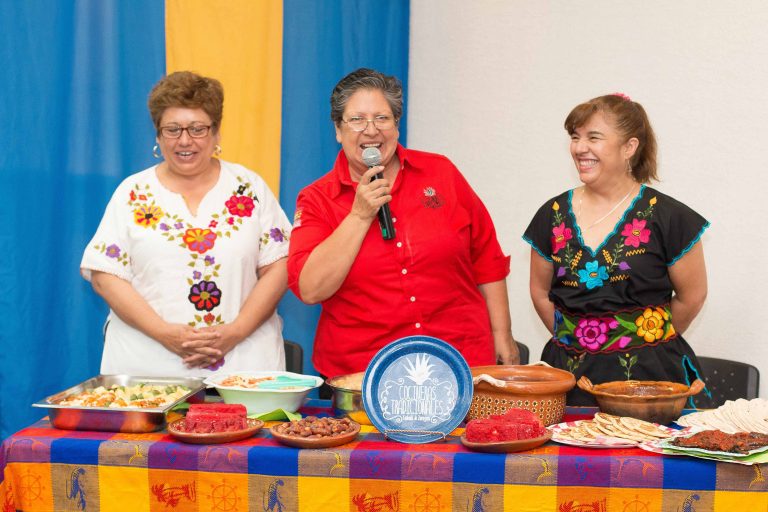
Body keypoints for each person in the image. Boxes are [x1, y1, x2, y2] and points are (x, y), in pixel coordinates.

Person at [287, 68, 518, 385]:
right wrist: (359, 215)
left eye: (382, 118)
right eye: (357, 120)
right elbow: (310, 289)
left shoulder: (441, 173)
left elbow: (486, 257)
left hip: (460, 362)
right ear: (338, 130)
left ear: (397, 126)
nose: (371, 131)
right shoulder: (317, 199)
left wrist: (502, 335)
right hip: (364, 375)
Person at [81, 71, 292, 377]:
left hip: (243, 368)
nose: (184, 140)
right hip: (147, 372)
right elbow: (105, 275)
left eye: (197, 129)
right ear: (157, 134)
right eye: (172, 129)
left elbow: (280, 264)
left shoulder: (249, 188)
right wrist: (165, 333)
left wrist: (235, 331)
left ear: (216, 132)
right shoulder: (132, 193)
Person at [524, 93, 709, 405]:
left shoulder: (669, 217)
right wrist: (577, 337)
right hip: (568, 378)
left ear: (629, 148)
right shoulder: (552, 215)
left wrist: (642, 338)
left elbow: (693, 297)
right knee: (563, 455)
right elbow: (540, 293)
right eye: (575, 137)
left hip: (652, 380)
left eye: (593, 137)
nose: (580, 148)